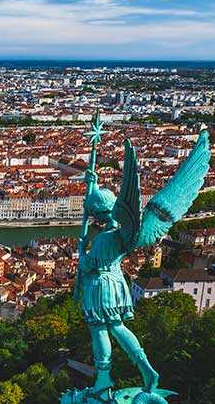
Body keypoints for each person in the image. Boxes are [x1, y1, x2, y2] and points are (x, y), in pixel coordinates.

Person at [76, 169, 159, 400]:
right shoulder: (121, 233)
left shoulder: (103, 238)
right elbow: (99, 202)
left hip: (99, 285)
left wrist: (82, 252)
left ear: (100, 214)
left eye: (95, 216)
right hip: (116, 283)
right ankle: (145, 367)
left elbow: (88, 266)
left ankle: (103, 378)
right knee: (118, 327)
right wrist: (92, 185)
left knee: (99, 330)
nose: (94, 220)